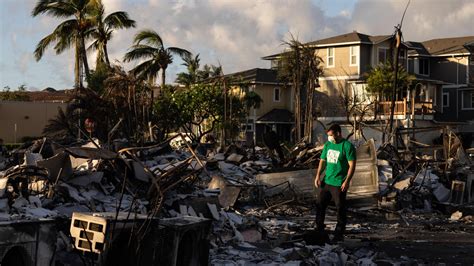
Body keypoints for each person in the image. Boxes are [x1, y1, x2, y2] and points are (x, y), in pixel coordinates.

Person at [314, 124, 356, 242]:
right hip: (327, 181)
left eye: (331, 135)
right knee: (320, 204)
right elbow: (322, 161)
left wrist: (347, 181)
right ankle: (319, 229)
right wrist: (318, 175)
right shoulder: (328, 145)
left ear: (338, 133)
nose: (330, 138)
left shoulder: (347, 146)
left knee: (340, 208)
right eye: (328, 136)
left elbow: (352, 166)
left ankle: (339, 233)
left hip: (339, 183)